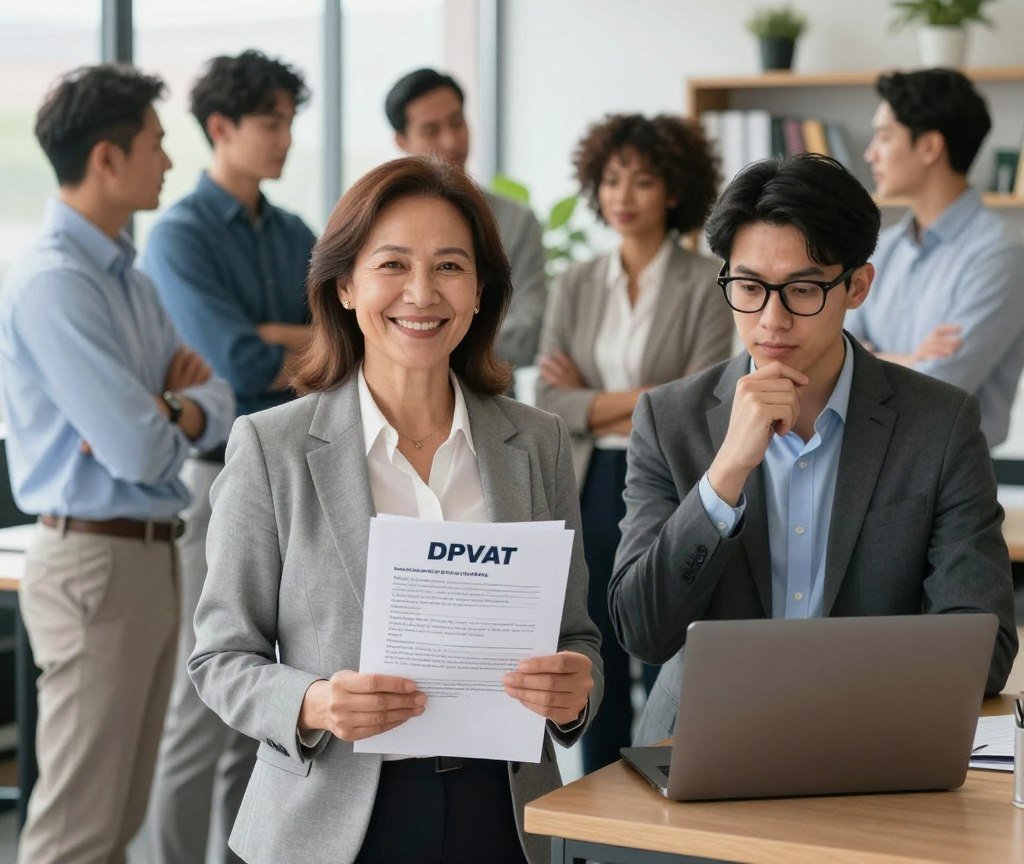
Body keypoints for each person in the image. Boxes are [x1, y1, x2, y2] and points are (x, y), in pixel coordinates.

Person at [187, 155, 602, 864]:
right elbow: (222, 659)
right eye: (392, 265)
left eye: (449, 267)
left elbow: (577, 638)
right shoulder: (271, 446)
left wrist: (573, 693)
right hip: (333, 817)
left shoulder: (536, 444)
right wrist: (315, 702)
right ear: (345, 285)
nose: (422, 293)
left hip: (502, 813)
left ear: (479, 292)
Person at [608, 153, 1017, 747]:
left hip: (874, 746)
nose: (771, 321)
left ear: (857, 286)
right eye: (748, 287)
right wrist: (725, 476)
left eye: (801, 289)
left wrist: (833, 698)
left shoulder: (941, 422)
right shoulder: (670, 420)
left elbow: (983, 646)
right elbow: (641, 629)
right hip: (701, 743)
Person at [0, 65, 234, 864]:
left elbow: (218, 402)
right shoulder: (56, 284)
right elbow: (137, 447)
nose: (169, 160)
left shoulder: (126, 279)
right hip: (95, 561)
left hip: (148, 554)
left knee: (119, 819)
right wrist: (169, 411)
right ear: (107, 157)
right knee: (76, 832)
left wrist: (167, 407)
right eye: (157, 143)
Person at [141, 50, 317, 864]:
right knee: (197, 701)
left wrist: (276, 339)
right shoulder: (178, 236)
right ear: (221, 128)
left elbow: (343, 348)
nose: (284, 137)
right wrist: (284, 341)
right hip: (216, 481)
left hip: (304, 481)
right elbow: (238, 364)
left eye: (289, 120)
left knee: (271, 701)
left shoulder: (293, 233)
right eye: (270, 121)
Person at [535, 113, 732, 772]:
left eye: (642, 181)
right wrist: (651, 394)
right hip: (589, 481)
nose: (623, 196)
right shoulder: (577, 282)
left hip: (673, 482)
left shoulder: (709, 281)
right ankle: (601, 803)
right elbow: (550, 401)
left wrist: (599, 400)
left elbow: (700, 400)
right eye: (611, 180)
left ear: (673, 190)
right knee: (598, 656)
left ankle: (670, 793)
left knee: (665, 643)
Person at [848, 68, 1024, 447]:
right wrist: (911, 360)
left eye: (884, 136)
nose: (870, 153)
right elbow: (830, 350)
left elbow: (940, 387)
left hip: (952, 479)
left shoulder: (1001, 256)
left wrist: (871, 358)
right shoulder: (882, 246)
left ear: (929, 146)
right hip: (865, 461)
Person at [385, 68, 547, 369]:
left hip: (490, 399)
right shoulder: (376, 222)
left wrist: (421, 336)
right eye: (431, 130)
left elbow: (529, 333)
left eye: (457, 123)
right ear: (401, 141)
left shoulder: (516, 221)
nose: (451, 141)